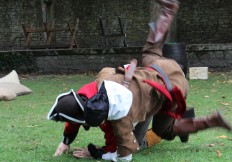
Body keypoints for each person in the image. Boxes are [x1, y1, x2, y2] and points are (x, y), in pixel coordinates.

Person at [47, 0, 232, 161]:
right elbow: (74, 110)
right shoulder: (100, 83)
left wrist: (96, 152)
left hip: (174, 88)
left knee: (164, 131)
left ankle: (211, 120)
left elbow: (123, 152)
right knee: (150, 51)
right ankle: (168, 10)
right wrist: (66, 141)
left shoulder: (120, 120)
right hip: (161, 67)